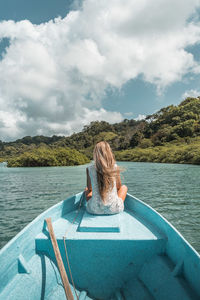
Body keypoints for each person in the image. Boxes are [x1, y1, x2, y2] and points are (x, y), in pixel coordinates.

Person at [85, 141, 128, 215]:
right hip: (115, 209)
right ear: (109, 153)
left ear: (95, 154)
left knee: (86, 190)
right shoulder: (114, 167)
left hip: (94, 210)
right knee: (124, 187)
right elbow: (119, 187)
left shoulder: (89, 169)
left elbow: (90, 188)